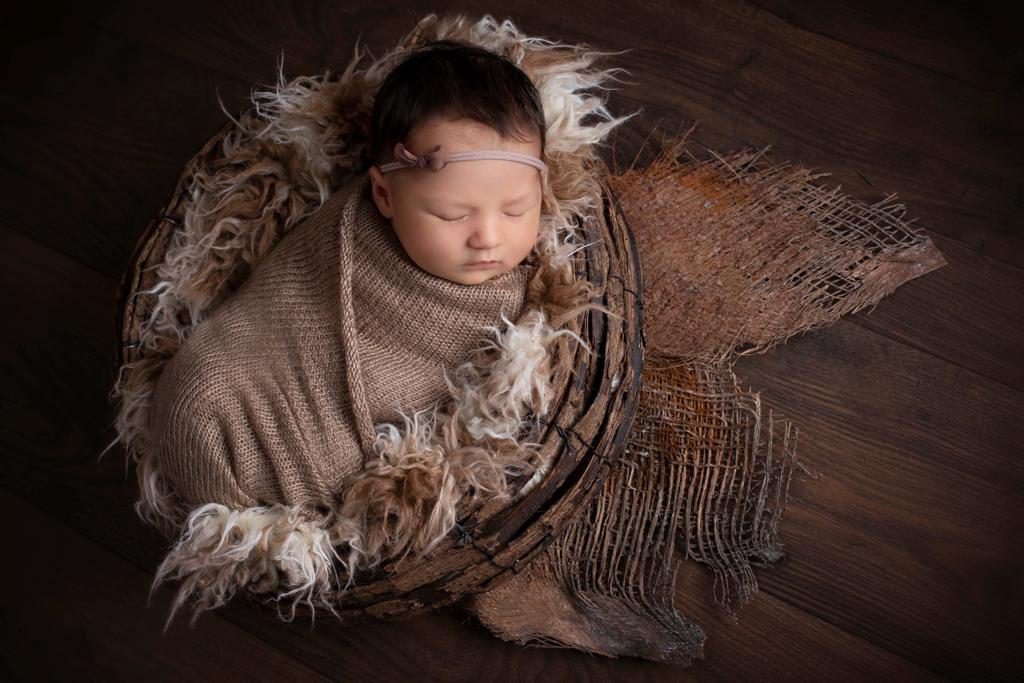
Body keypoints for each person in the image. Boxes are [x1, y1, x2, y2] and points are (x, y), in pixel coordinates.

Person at [364, 39, 548, 285]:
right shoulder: (345, 258)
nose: (488, 239)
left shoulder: (546, 278)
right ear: (384, 195)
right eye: (452, 215)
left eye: (515, 211)